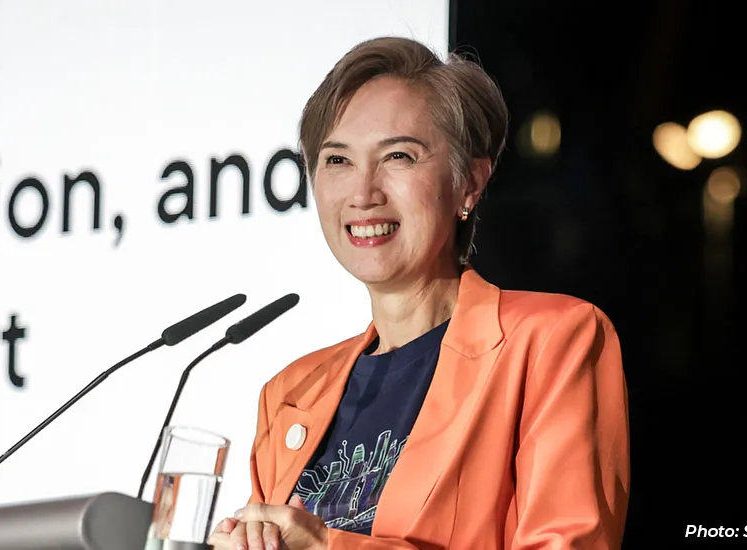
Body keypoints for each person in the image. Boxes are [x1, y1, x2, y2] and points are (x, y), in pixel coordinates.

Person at [207, 36, 629, 550]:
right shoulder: (290, 395)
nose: (363, 194)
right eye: (337, 161)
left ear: (470, 183)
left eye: (398, 156)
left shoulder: (550, 341)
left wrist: (328, 546)